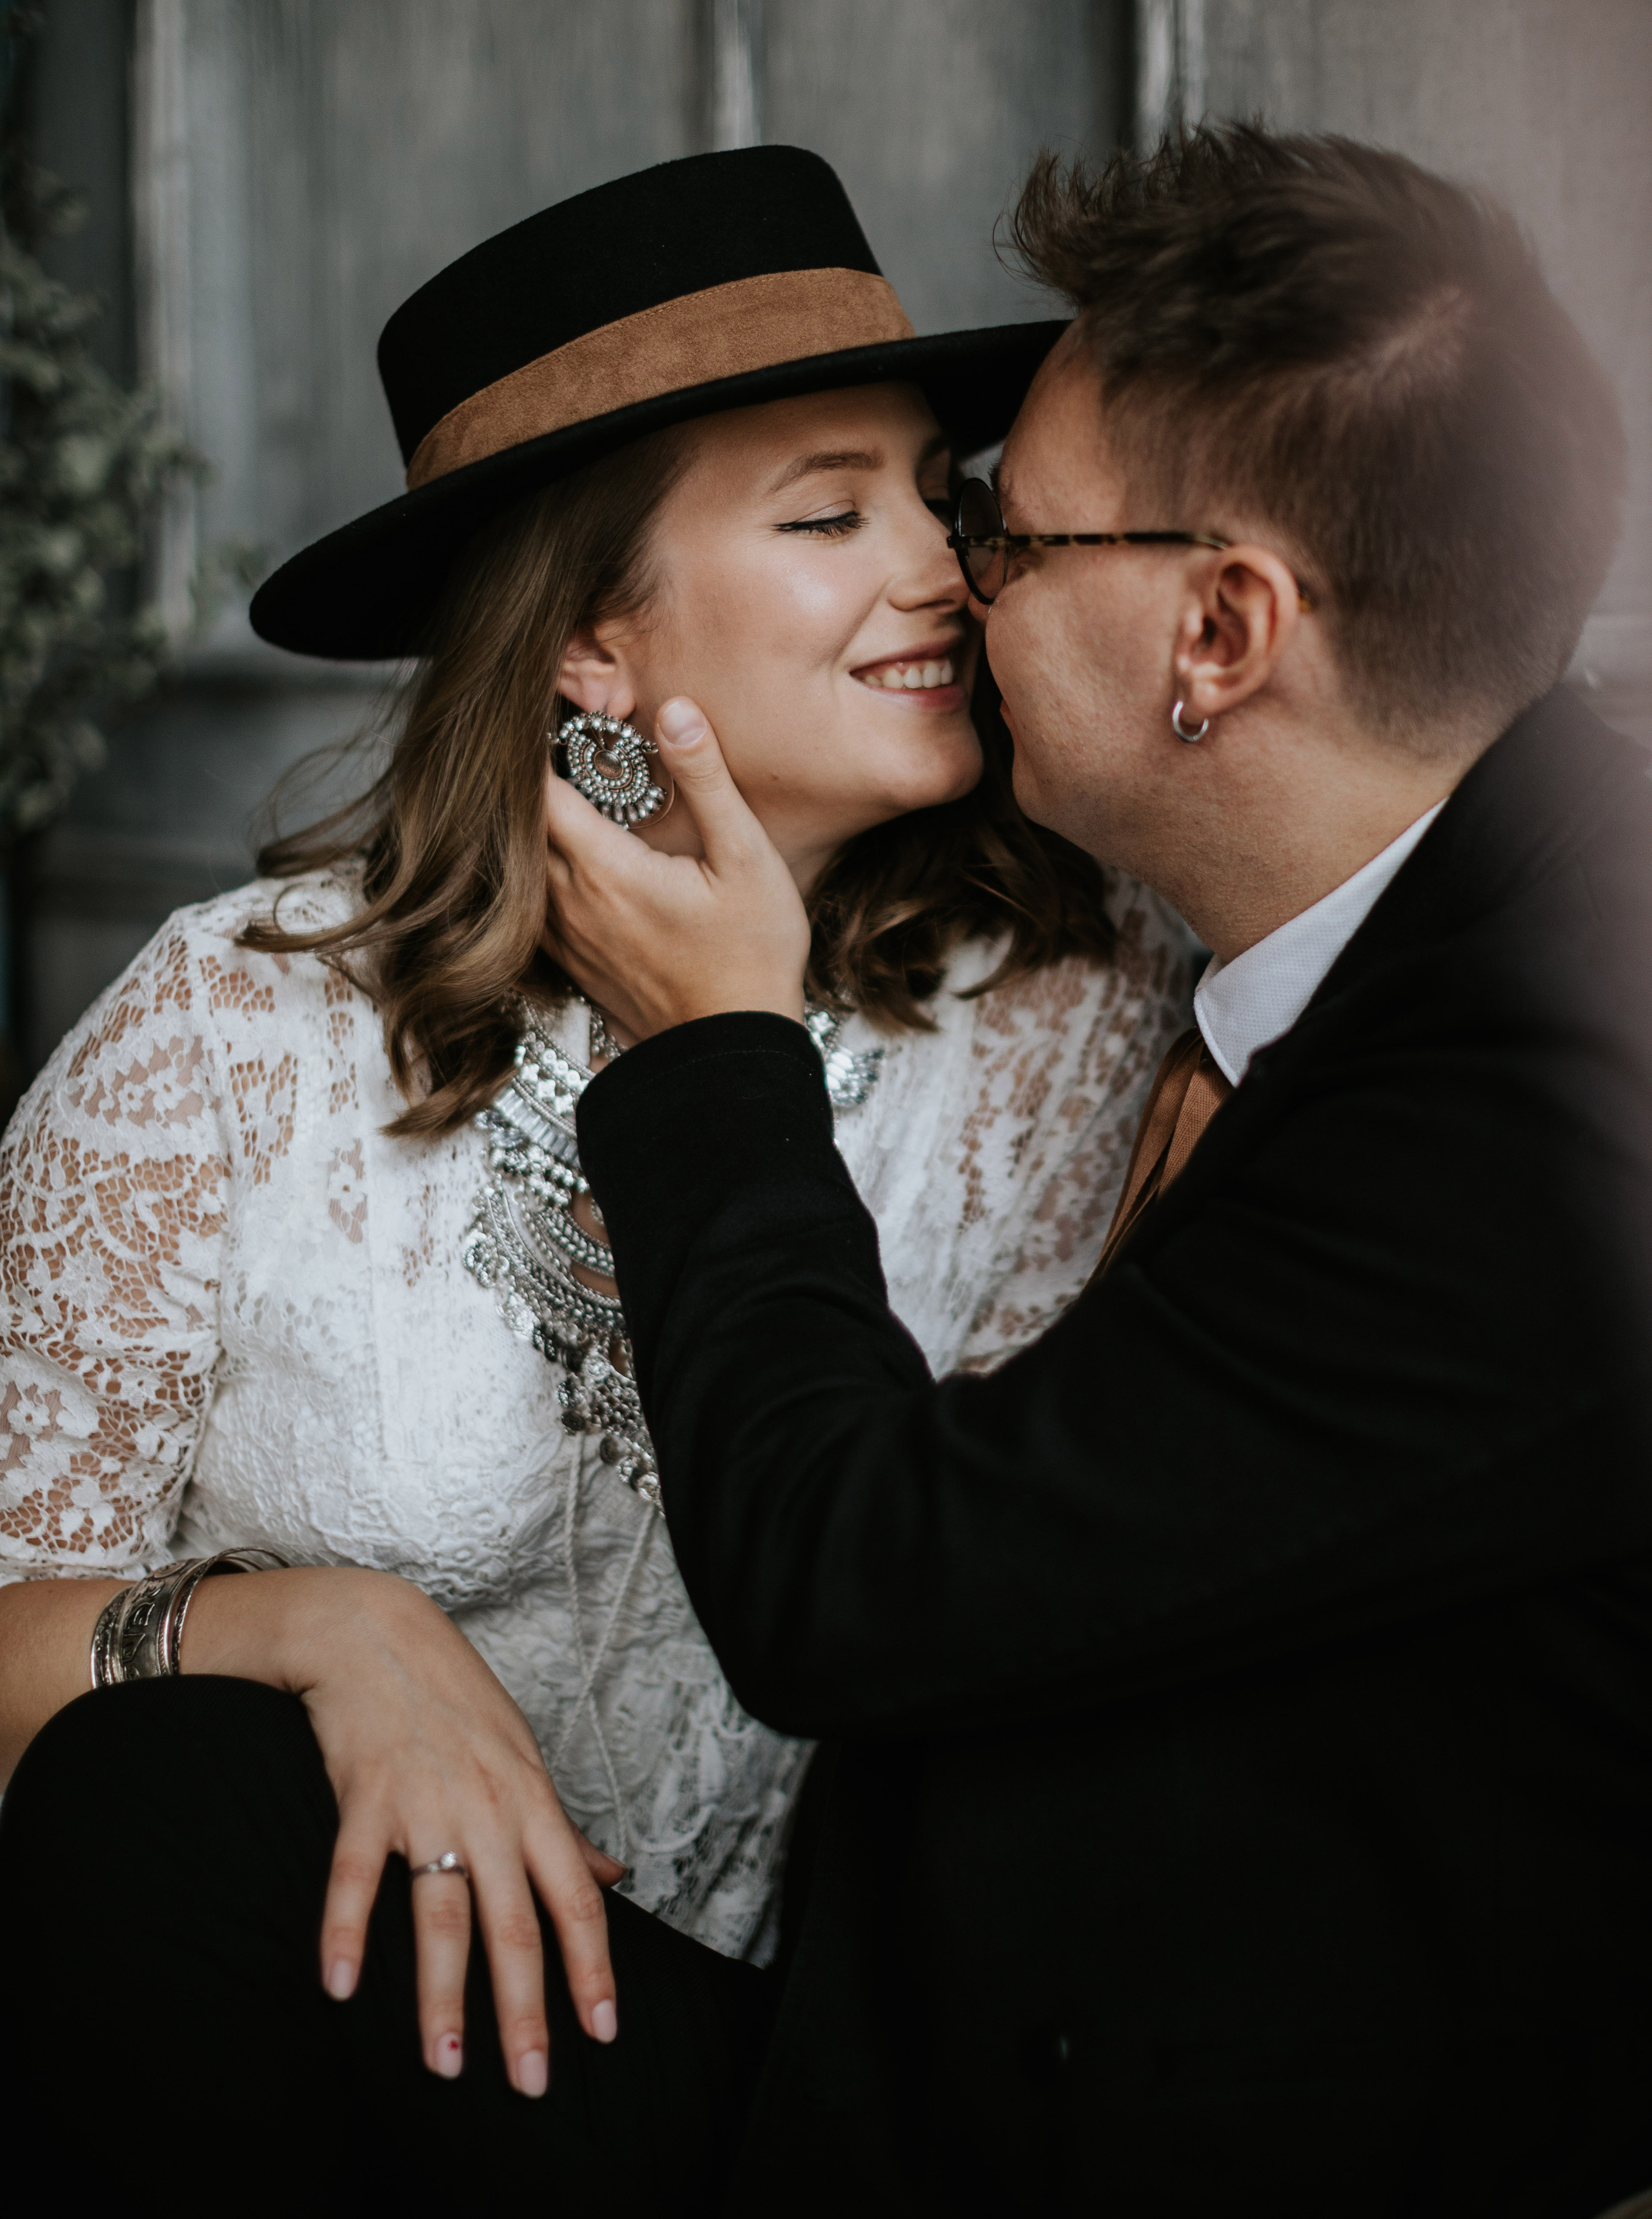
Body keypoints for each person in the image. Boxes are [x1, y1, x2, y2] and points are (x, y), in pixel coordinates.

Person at [0, 147, 1187, 2204]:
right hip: (312, 2028)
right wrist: (322, 1631)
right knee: (167, 1786)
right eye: (829, 513)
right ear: (587, 648)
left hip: (806, 2081)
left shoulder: (1068, 1015)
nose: (947, 562)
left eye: (940, 491)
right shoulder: (234, 1024)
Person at [539, 127, 1652, 2217]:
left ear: (1222, 630)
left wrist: (713, 1049)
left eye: (1008, 532)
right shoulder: (1467, 911)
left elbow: (855, 1578)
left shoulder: (1553, 1107)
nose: (955, 580)